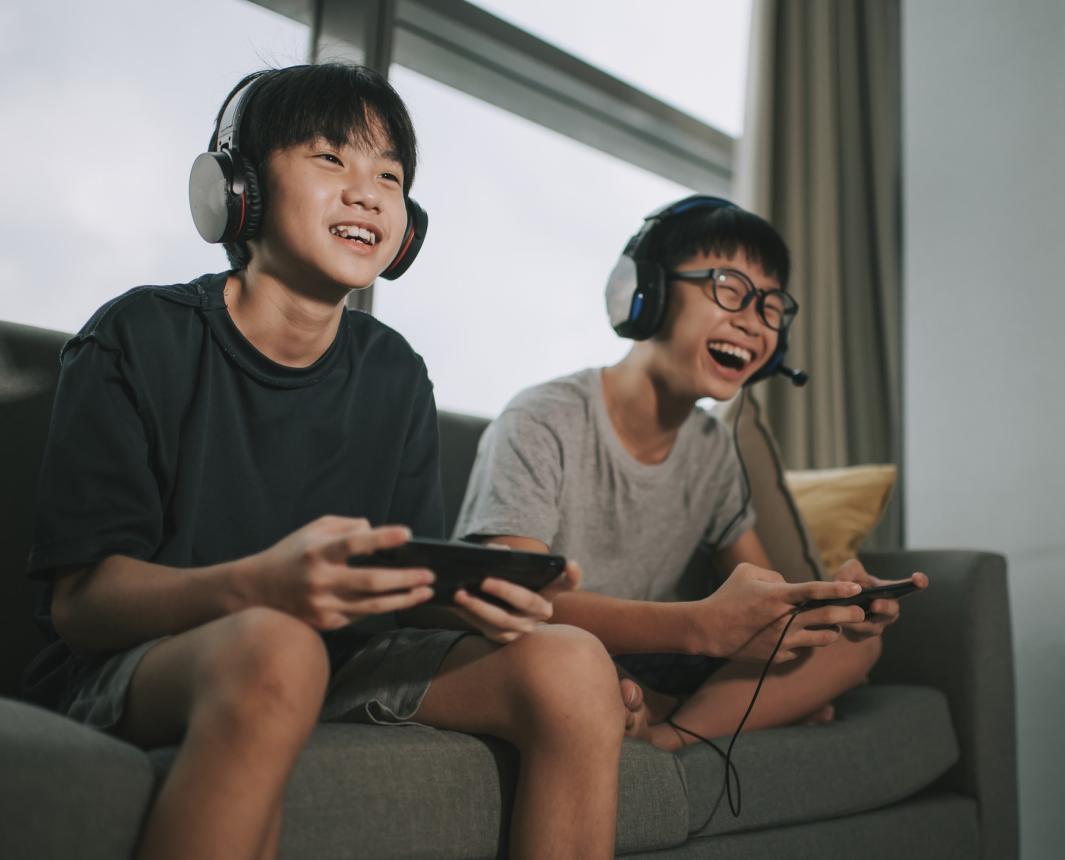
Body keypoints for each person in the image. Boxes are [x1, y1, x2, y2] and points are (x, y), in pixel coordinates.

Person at [23, 64, 626, 860]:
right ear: (239, 189)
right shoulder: (137, 336)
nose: (368, 193)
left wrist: (467, 594)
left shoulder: (396, 373)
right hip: (151, 661)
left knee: (573, 666)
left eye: (390, 175)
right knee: (278, 644)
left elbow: (397, 593)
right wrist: (265, 586)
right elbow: (83, 605)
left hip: (339, 659)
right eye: (331, 159)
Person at [455, 195, 927, 750]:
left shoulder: (713, 451)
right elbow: (519, 600)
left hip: (667, 664)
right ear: (645, 293)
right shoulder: (543, 418)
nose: (752, 322)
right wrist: (699, 626)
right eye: (729, 288)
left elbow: (761, 603)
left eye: (770, 306)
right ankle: (683, 713)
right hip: (559, 651)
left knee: (857, 647)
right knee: (573, 667)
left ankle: (669, 733)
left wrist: (827, 603)